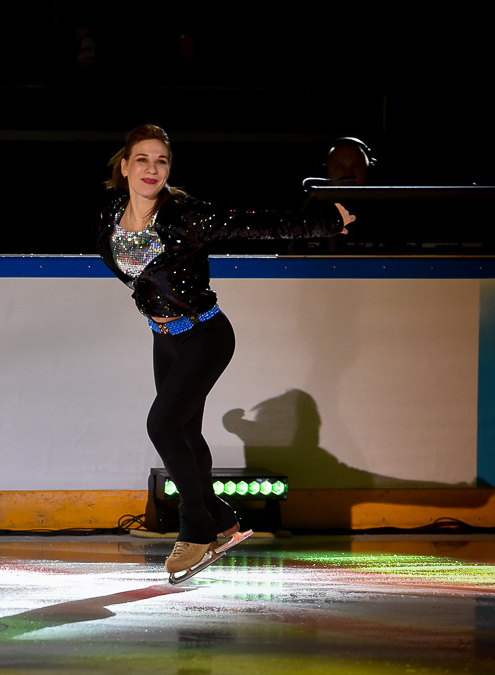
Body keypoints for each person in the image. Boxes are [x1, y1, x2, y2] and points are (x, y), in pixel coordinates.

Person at [96, 124, 354, 581]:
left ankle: (195, 530)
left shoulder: (185, 215)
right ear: (125, 166)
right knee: (187, 436)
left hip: (205, 336)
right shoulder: (110, 217)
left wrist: (324, 223)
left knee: (162, 424)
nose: (152, 169)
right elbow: (130, 271)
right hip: (166, 340)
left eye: (161, 161)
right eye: (142, 159)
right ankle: (219, 518)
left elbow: (256, 224)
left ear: (168, 169)